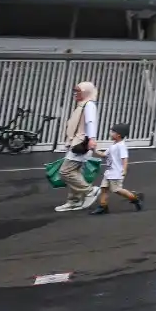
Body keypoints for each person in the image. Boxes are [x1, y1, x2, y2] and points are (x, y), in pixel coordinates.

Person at [55, 82, 99, 213]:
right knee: (75, 173)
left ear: (85, 92)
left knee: (66, 171)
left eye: (78, 91)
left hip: (82, 143)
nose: (75, 93)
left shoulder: (89, 105)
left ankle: (90, 191)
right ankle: (74, 201)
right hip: (76, 142)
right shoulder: (81, 105)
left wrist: (92, 138)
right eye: (74, 91)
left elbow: (90, 122)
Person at [89, 123, 143, 214]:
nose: (110, 133)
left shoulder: (121, 146)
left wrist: (124, 170)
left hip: (116, 172)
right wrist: (94, 150)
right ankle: (103, 206)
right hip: (109, 172)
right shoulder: (113, 145)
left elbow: (124, 158)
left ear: (118, 135)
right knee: (104, 188)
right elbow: (104, 155)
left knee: (117, 190)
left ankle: (135, 199)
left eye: (112, 132)